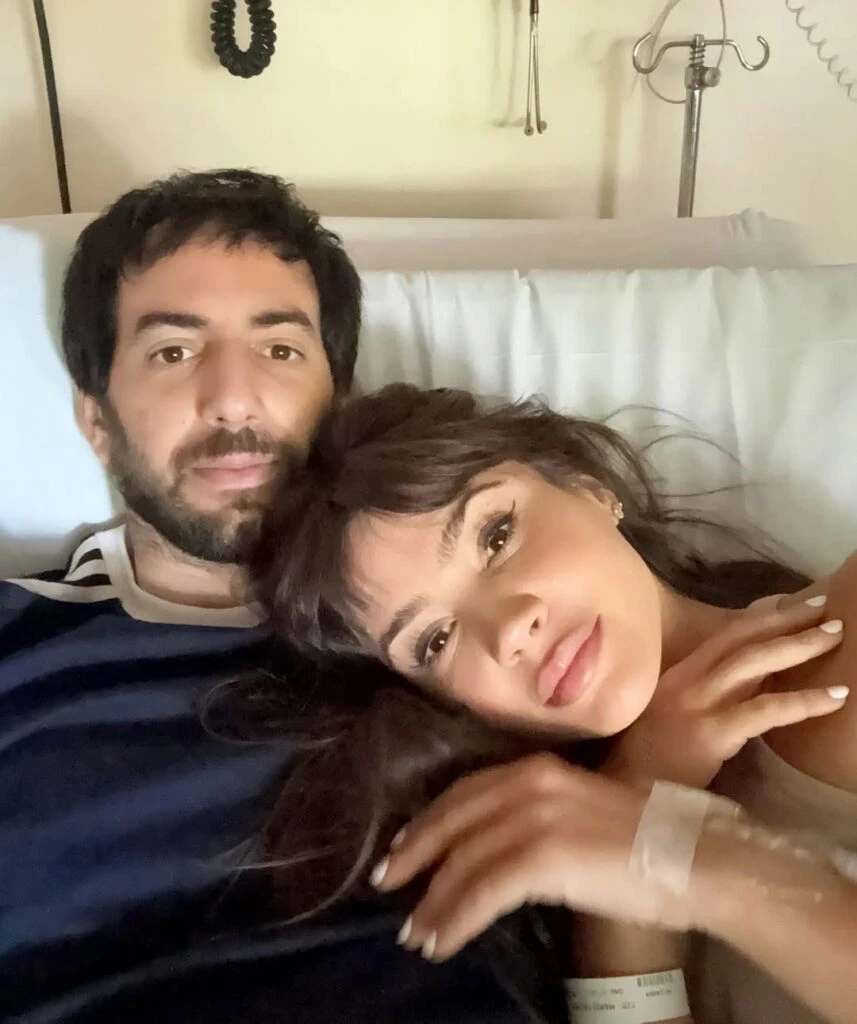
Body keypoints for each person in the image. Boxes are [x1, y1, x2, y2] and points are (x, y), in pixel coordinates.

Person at [0, 172, 549, 1023]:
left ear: (339, 396)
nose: (232, 398)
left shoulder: (462, 623)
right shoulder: (17, 647)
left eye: (280, 350)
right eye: (173, 352)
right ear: (97, 420)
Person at [245, 382, 857, 1024]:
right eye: (436, 640)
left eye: (496, 535)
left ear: (591, 488)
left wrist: (709, 864)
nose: (510, 630)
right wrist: (642, 818)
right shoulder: (563, 856)